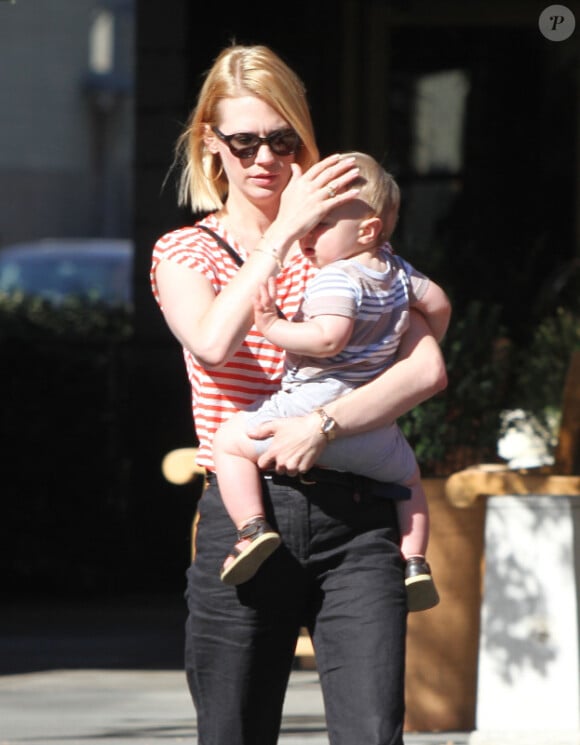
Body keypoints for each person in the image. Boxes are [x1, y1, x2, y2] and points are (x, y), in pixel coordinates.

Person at [151, 43, 448, 745]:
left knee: (373, 731)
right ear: (210, 144)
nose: (265, 159)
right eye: (245, 141)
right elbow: (212, 342)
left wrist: (322, 424)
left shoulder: (345, 250)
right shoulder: (187, 252)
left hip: (358, 516)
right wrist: (279, 235)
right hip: (248, 518)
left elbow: (425, 367)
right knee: (233, 731)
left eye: (282, 140)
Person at [213, 152, 450, 614]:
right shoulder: (400, 274)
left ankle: (251, 529)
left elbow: (326, 338)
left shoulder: (334, 277)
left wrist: (271, 325)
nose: (306, 237)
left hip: (311, 409)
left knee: (230, 441)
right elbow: (439, 304)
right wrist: (414, 336)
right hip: (372, 424)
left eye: (320, 226)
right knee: (409, 480)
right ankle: (415, 560)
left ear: (367, 231)